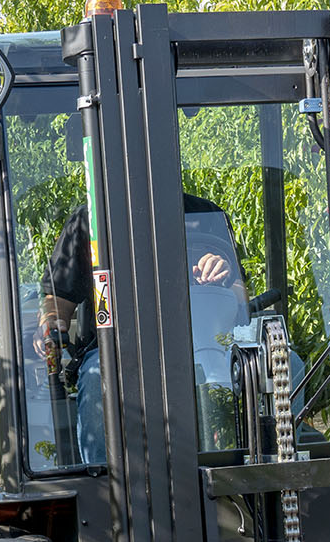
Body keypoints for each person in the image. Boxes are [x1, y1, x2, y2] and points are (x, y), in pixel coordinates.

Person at [37, 194, 248, 463]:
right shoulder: (89, 221)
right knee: (94, 377)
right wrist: (52, 323)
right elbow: (57, 300)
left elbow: (243, 297)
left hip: (204, 344)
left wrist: (226, 275)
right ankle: (103, 482)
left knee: (288, 364)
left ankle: (270, 477)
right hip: (117, 348)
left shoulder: (206, 215)